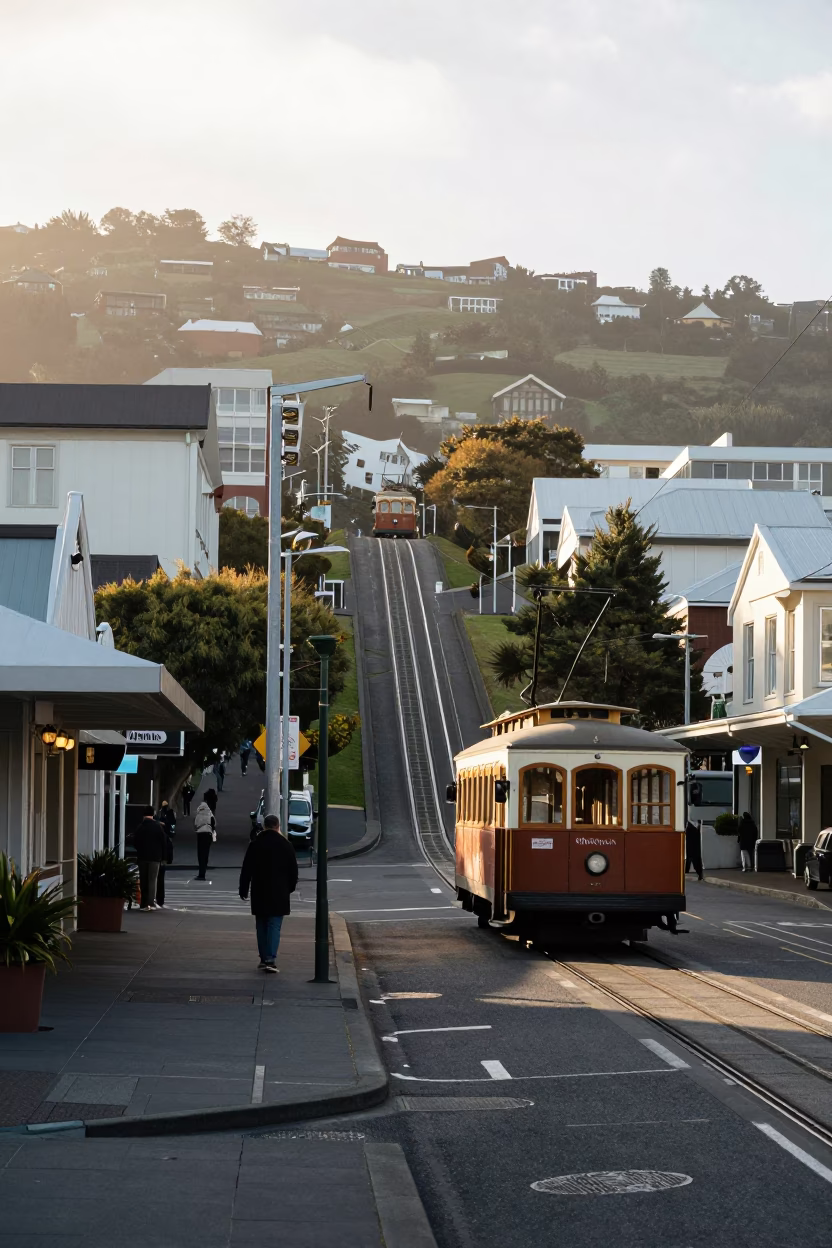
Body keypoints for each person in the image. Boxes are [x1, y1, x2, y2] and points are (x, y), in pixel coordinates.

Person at [239, 814, 298, 972]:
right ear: (278, 826)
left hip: (260, 890)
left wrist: (243, 889)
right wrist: (289, 888)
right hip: (279, 892)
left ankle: (263, 958)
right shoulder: (286, 845)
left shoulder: (256, 844)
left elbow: (247, 869)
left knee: (261, 925)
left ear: (264, 826)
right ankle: (270, 959)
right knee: (274, 925)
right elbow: (293, 871)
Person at [134, 806, 168, 911]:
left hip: (143, 857)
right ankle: (150, 903)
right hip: (155, 858)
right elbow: (164, 842)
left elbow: (135, 843)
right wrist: (164, 857)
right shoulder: (158, 827)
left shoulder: (140, 827)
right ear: (153, 814)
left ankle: (143, 904)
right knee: (152, 880)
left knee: (143, 880)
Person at [194, 797, 216, 881]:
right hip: (208, 834)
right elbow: (214, 823)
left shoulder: (199, 813)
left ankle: (201, 874)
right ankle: (203, 872)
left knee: (200, 854)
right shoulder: (210, 813)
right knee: (206, 853)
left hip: (200, 834)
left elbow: (195, 823)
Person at [155, 820, 175, 908]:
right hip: (162, 861)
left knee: (153, 879)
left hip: (155, 859)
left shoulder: (156, 836)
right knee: (160, 881)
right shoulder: (166, 837)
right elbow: (170, 849)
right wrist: (168, 860)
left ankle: (154, 898)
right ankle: (160, 899)